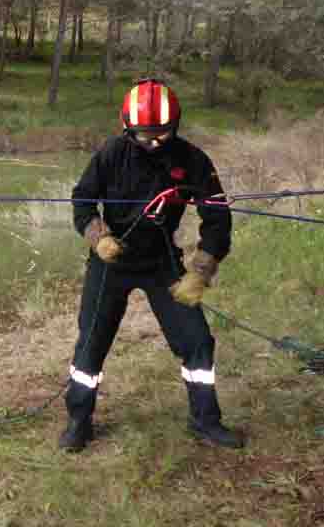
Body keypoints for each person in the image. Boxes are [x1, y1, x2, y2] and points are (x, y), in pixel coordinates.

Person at [61, 78, 244, 452]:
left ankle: (206, 421)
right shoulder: (110, 154)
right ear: (127, 128)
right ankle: (79, 421)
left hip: (162, 263)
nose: (154, 142)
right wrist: (99, 238)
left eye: (162, 134)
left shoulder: (192, 160)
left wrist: (201, 272)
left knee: (197, 340)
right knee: (91, 345)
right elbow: (82, 201)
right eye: (145, 135)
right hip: (111, 264)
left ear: (175, 125)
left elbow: (217, 217)